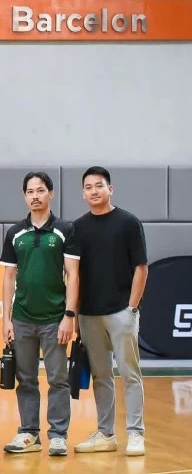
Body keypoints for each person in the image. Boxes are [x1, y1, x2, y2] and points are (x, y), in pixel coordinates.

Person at [1, 171, 79, 457]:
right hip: (22, 318)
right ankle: (29, 434)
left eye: (41, 190)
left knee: (58, 379)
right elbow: (9, 277)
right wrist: (7, 319)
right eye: (30, 191)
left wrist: (69, 315)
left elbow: (73, 275)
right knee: (27, 379)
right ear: (25, 196)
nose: (35, 196)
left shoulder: (65, 231)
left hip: (54, 319)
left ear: (51, 194)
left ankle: (58, 435)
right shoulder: (15, 233)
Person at [73, 166, 148, 457]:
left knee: (130, 373)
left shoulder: (129, 223)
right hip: (89, 314)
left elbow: (141, 267)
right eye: (89, 187)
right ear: (83, 193)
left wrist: (132, 307)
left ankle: (136, 433)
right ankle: (106, 433)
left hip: (121, 312)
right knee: (101, 376)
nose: (94, 191)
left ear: (110, 189)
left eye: (99, 186)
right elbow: (74, 274)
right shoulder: (78, 228)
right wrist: (76, 313)